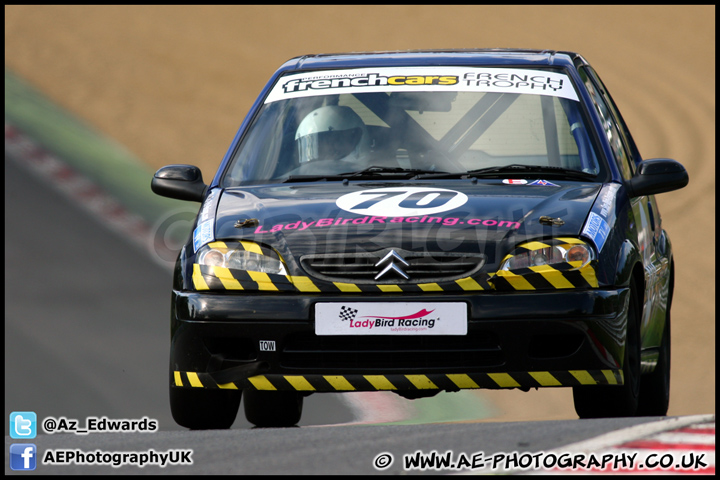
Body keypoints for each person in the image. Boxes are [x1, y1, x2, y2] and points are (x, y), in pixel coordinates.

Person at [295, 105, 371, 168]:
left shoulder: (379, 168)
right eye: (320, 145)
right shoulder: (302, 178)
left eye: (336, 141)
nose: (328, 150)